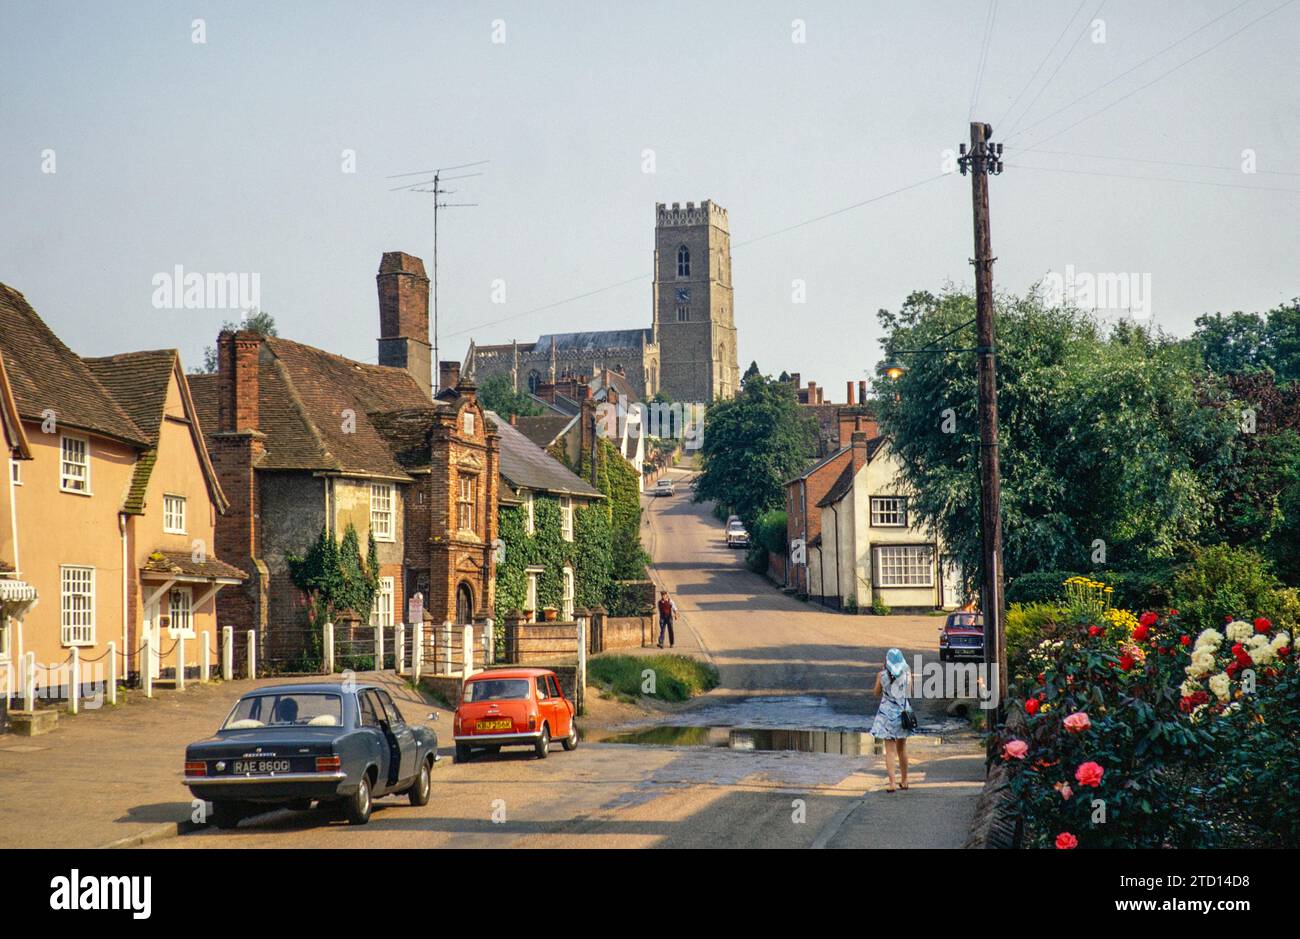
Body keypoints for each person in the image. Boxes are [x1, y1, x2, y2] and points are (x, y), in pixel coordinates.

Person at [870, 648, 912, 792]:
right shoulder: (907, 674)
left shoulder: (881, 675)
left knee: (890, 751)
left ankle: (892, 783)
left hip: (886, 715)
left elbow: (876, 693)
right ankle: (905, 780)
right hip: (903, 714)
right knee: (902, 749)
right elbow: (909, 692)